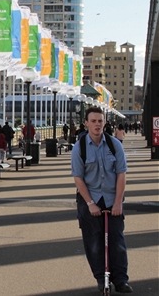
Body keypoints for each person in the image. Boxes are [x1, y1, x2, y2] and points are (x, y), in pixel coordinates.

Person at [71, 106, 132, 294]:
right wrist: (90, 203)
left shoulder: (115, 145)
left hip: (112, 198)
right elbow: (78, 178)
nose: (97, 124)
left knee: (117, 241)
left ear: (105, 122)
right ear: (87, 123)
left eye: (100, 121)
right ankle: (100, 277)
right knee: (93, 242)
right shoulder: (79, 147)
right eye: (94, 121)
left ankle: (120, 279)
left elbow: (121, 174)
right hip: (90, 199)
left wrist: (118, 202)